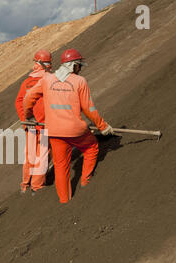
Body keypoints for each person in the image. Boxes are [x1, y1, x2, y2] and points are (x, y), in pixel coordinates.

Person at [23, 48, 115, 203]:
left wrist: (28, 115)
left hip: (54, 132)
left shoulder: (47, 80)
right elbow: (89, 109)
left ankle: (65, 200)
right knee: (91, 147)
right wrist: (103, 126)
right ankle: (86, 181)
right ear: (74, 66)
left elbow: (28, 97)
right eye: (79, 65)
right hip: (76, 131)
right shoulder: (80, 81)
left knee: (61, 166)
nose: (80, 68)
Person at [15, 49, 52, 194]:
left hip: (31, 125)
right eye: (49, 63)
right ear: (45, 64)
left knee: (30, 155)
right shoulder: (50, 80)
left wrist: (25, 120)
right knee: (42, 155)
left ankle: (25, 184)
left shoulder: (27, 82)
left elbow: (18, 102)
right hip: (44, 126)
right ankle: (37, 186)